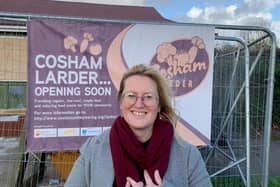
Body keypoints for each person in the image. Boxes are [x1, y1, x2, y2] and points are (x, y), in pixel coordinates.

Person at [64, 64, 212, 187]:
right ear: (121, 102)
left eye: (148, 97)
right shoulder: (94, 149)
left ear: (159, 105)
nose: (139, 104)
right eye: (131, 96)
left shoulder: (187, 155)